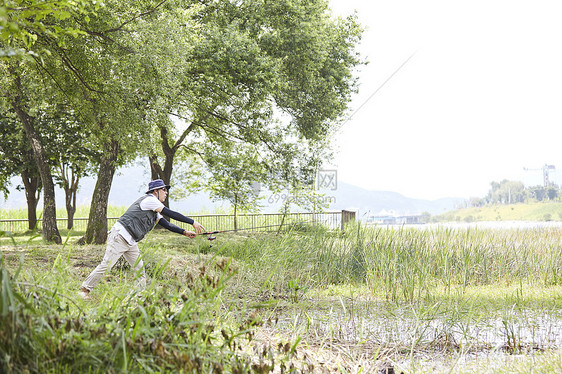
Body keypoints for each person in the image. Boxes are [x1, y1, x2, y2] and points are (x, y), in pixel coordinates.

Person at [78, 179, 205, 300]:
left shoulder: (154, 210)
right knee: (107, 266)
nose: (166, 193)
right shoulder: (150, 200)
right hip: (120, 236)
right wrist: (192, 222)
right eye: (164, 190)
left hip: (131, 242)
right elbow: (171, 213)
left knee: (139, 270)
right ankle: (84, 290)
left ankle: (139, 297)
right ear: (156, 191)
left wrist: (184, 232)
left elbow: (167, 224)